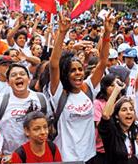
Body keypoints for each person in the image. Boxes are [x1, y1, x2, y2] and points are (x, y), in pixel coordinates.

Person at [48, 12, 112, 162]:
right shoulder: (59, 94)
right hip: (65, 158)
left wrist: (107, 33)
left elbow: (102, 62)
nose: (77, 73)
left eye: (80, 69)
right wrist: (62, 33)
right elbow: (53, 64)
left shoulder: (88, 89)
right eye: (72, 70)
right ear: (65, 74)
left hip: (89, 156)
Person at [0, 63, 51, 156]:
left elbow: (48, 123)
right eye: (13, 75)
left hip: (36, 156)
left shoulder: (40, 98)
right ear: (8, 82)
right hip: (10, 157)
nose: (18, 76)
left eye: (22, 74)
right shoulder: (0, 101)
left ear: (29, 79)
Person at [98, 79, 138, 164]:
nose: (128, 112)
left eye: (131, 109)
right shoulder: (111, 132)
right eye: (124, 110)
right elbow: (105, 114)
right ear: (116, 115)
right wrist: (116, 90)